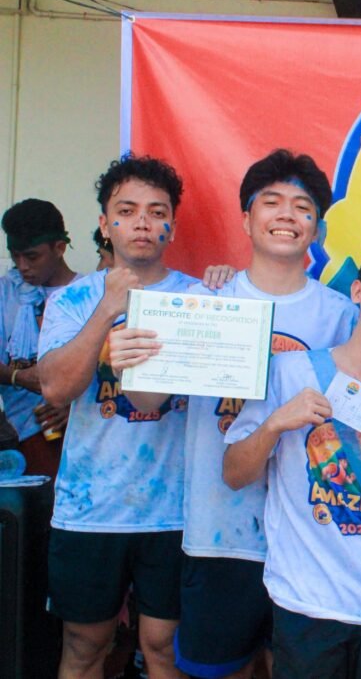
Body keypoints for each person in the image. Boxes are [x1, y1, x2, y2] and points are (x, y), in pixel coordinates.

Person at [109, 149, 361, 678]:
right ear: (246, 219)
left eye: (303, 207)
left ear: (317, 228)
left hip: (319, 546)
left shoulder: (344, 315)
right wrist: (133, 364)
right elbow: (148, 403)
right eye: (271, 202)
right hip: (221, 533)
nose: (287, 214)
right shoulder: (203, 301)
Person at [221, 237, 361, 677]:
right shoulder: (291, 371)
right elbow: (233, 473)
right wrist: (274, 425)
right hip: (307, 602)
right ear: (359, 292)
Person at [37, 154, 196, 678]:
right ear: (106, 225)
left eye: (157, 212)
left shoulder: (200, 298)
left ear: (172, 226)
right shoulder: (73, 299)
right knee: (85, 646)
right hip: (91, 508)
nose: (143, 222)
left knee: (165, 648)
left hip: (175, 510)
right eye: (127, 211)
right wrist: (109, 308)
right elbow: (56, 387)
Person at [0, 199, 79, 476]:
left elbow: (110, 373)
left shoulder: (89, 294)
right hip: (14, 439)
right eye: (15, 256)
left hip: (77, 438)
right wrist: (18, 377)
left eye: (32, 257)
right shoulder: (5, 293)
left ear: (60, 248)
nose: (22, 266)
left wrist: (76, 408)